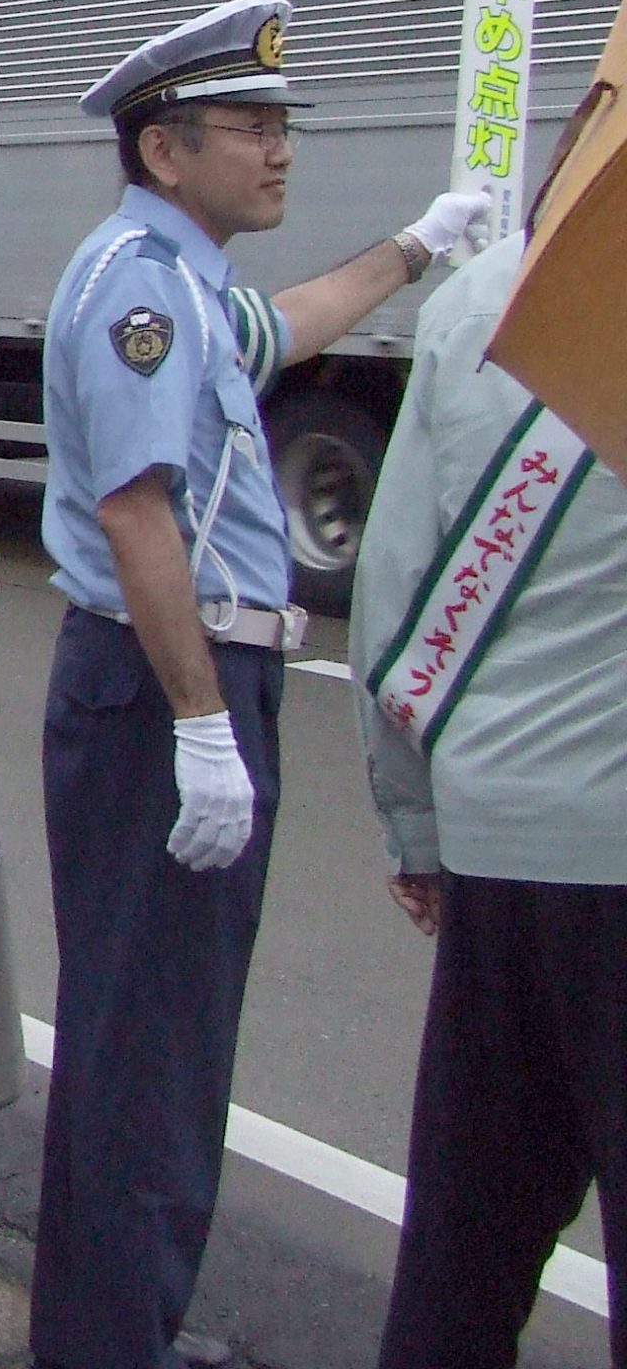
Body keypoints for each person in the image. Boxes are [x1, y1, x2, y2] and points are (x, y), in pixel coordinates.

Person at [29, 0, 491, 1369]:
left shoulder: (178, 283)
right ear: (167, 152)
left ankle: (118, 1332)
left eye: (283, 125)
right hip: (161, 685)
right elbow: (137, 518)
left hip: (177, 682)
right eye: (251, 126)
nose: (280, 150)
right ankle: (114, 1348)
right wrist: (203, 729)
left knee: (162, 1038)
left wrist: (417, 247)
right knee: (149, 1052)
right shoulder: (134, 289)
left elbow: (280, 327)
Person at [349, 89, 627, 1367]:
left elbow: (394, 594)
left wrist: (414, 825)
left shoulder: (474, 310)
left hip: (496, 857)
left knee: (464, 1249)